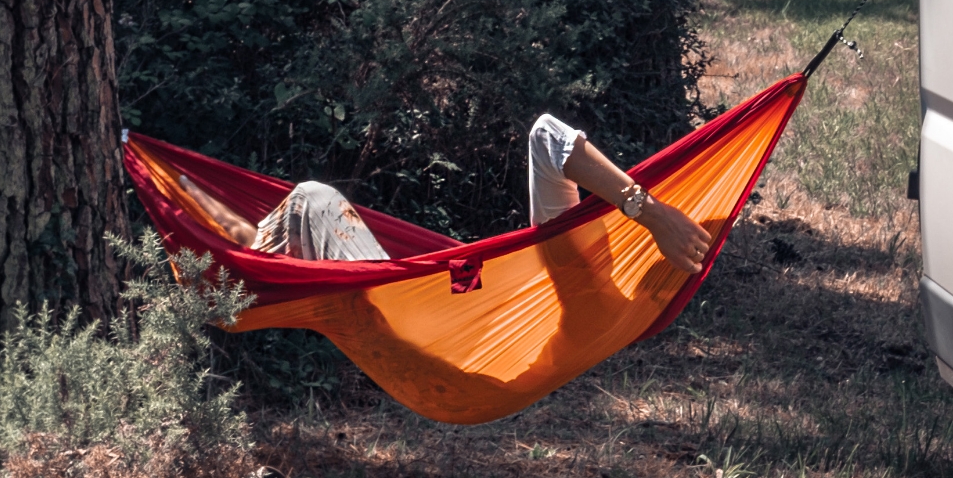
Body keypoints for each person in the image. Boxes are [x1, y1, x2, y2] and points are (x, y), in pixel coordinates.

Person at [172, 114, 714, 272]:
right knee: (311, 202)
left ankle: (223, 246)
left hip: (417, 319)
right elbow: (546, 136)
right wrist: (653, 216)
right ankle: (215, 231)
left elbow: (548, 134)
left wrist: (652, 216)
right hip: (438, 303)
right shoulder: (579, 270)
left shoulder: (579, 281)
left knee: (314, 198)